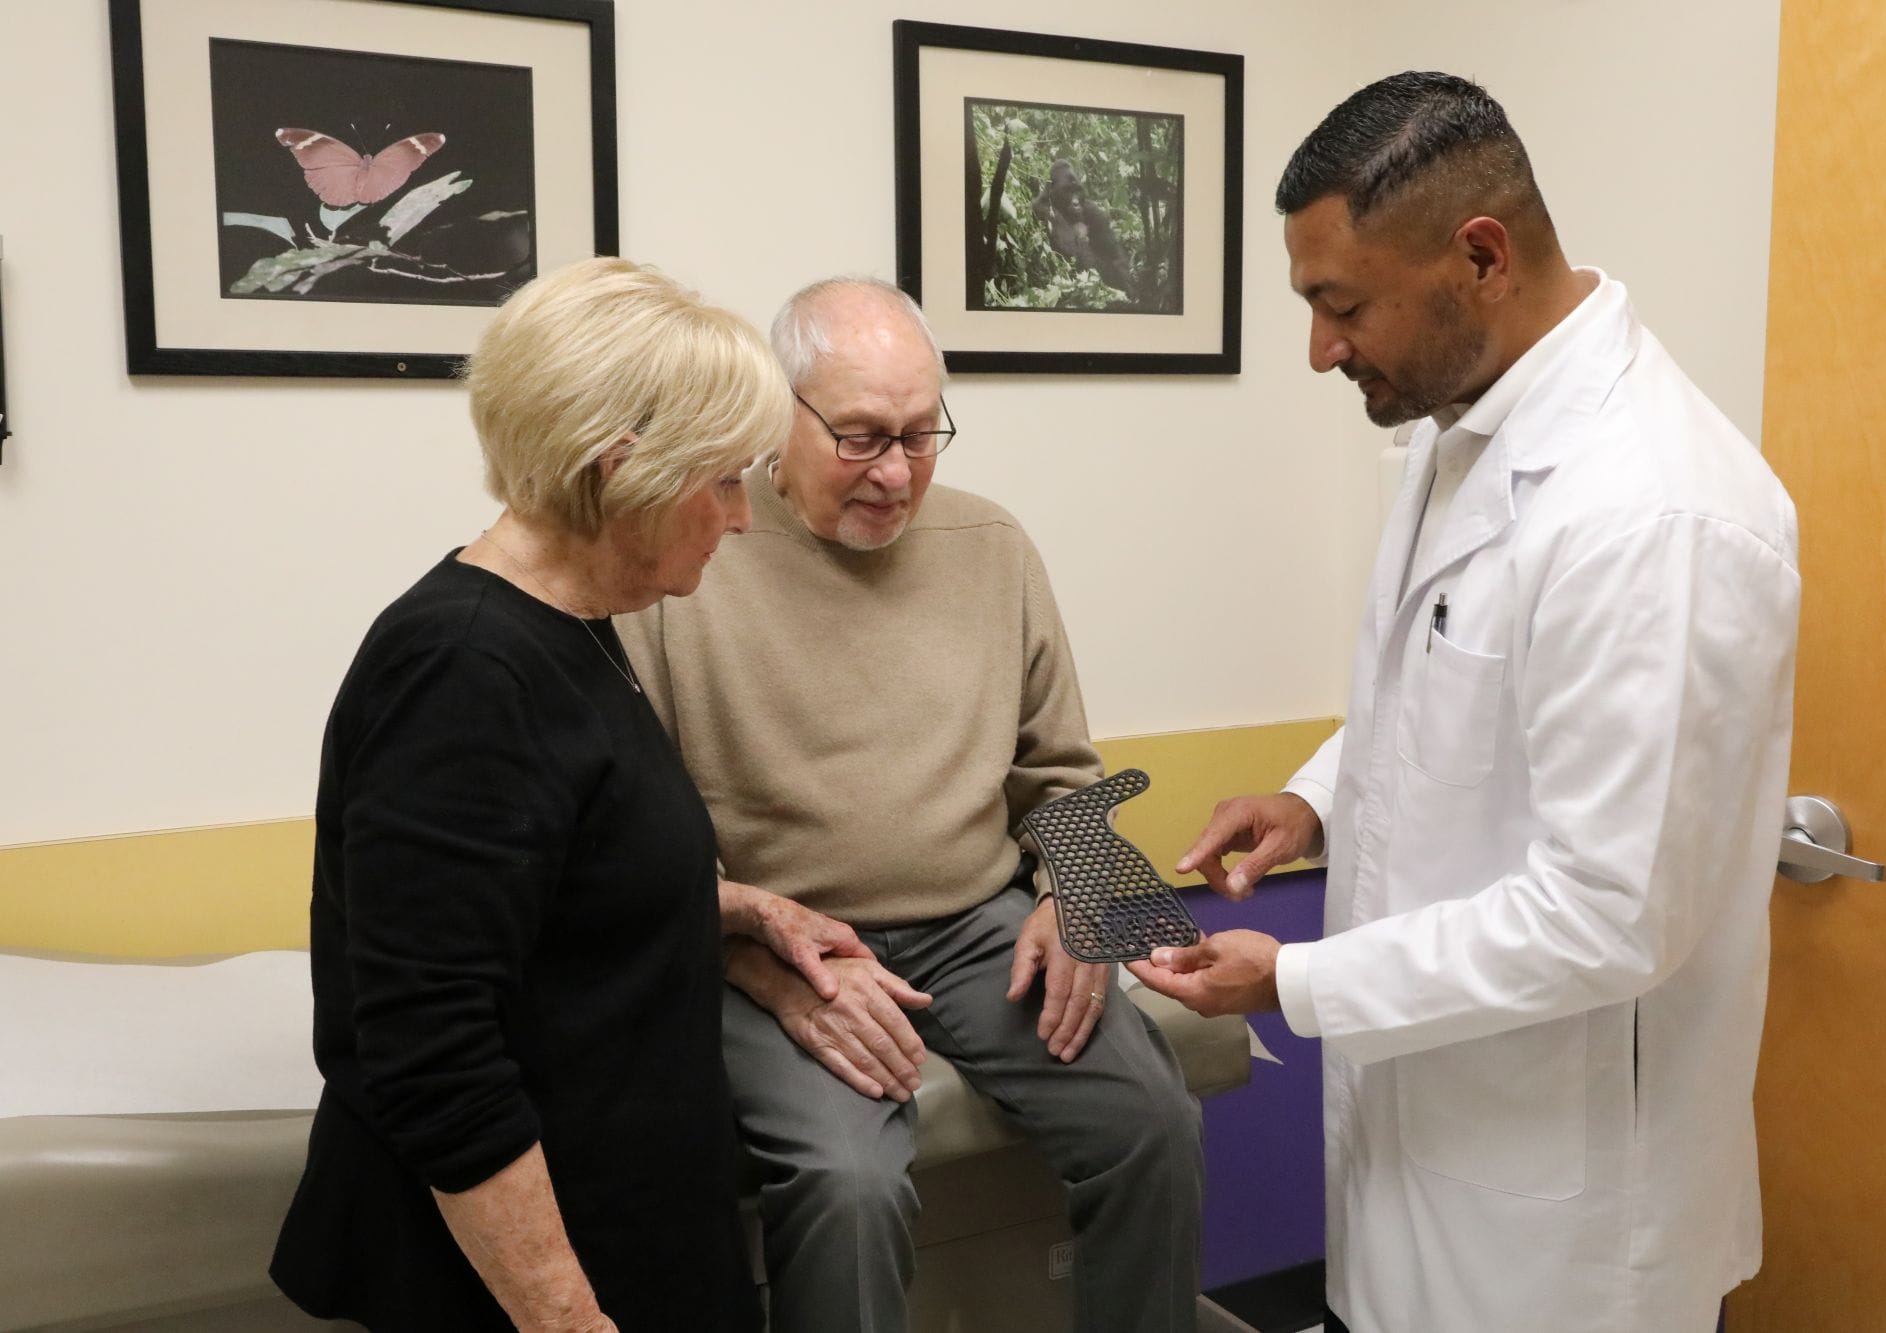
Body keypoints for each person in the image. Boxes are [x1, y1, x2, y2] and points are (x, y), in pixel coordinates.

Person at [1130, 72, 1800, 1333]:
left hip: (1564, 1230)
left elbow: (1608, 915)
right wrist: (1314, 801)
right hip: (1427, 1161)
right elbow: (1450, 686)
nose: (1320, 349)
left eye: (1341, 306)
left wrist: (1296, 979)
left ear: (1479, 257)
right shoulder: (1460, 432)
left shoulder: (1652, 514)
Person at [615, 277, 1205, 1333]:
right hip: (779, 948)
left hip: (976, 927)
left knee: (1153, 1121)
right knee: (847, 1184)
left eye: (921, 433)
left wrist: (1075, 894)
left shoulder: (991, 544)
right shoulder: (694, 552)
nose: (895, 473)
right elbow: (634, 841)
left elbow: (1061, 770)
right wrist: (753, 956)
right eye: (860, 436)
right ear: (779, 414)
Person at [269, 256, 799, 1331]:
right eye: (722, 480)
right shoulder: (462, 669)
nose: (741, 518)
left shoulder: (575, 627)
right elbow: (432, 1053)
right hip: (524, 1288)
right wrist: (566, 1317)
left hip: (634, 1226)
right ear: (621, 469)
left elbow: (554, 894)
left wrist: (734, 910)